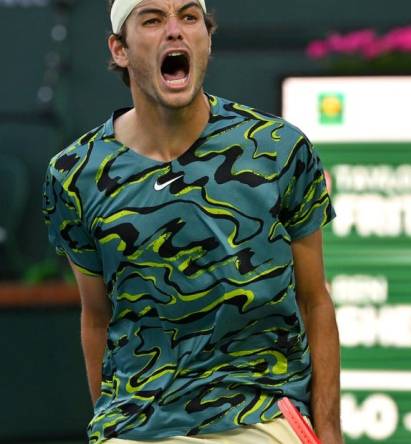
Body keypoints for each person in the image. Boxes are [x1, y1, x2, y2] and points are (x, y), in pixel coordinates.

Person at [41, 0, 341, 442]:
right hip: (137, 427)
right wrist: (110, 428)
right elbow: (96, 319)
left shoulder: (280, 148)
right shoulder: (74, 176)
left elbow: (315, 301)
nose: (175, 31)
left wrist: (329, 431)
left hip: (259, 417)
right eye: (152, 19)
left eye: (188, 16)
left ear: (207, 39)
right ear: (119, 50)